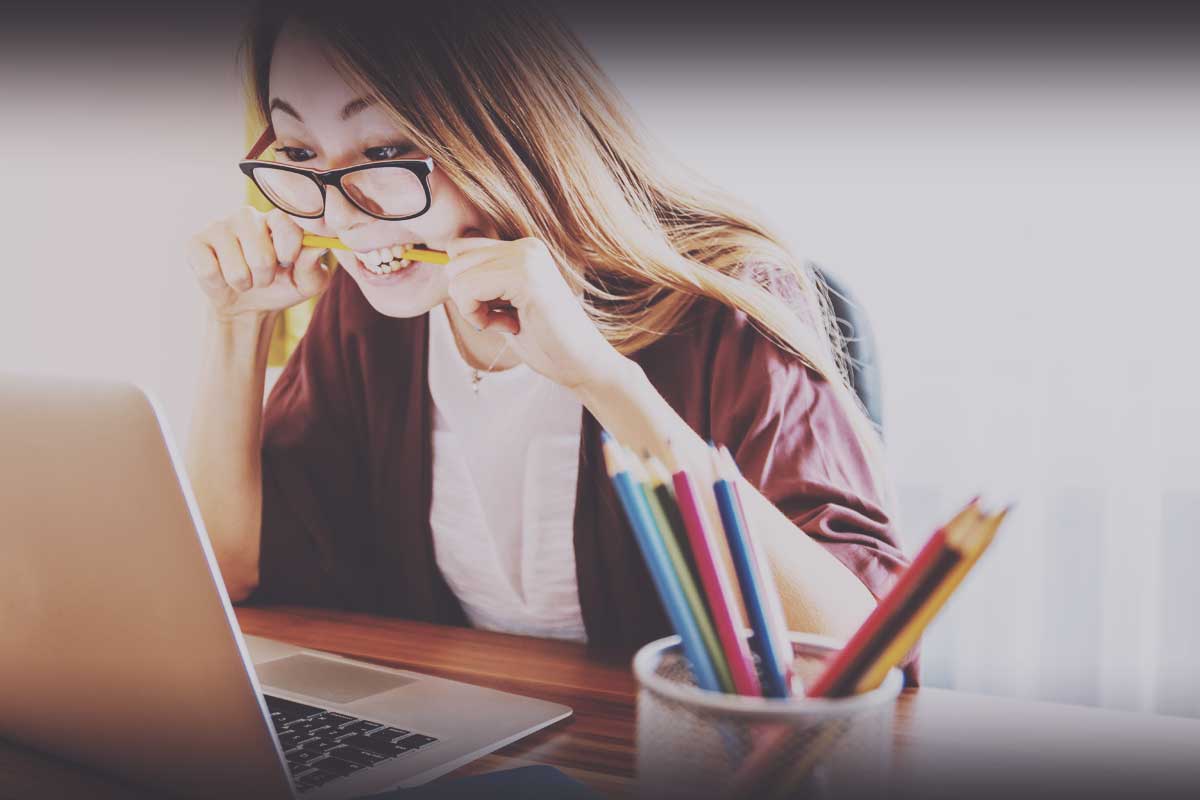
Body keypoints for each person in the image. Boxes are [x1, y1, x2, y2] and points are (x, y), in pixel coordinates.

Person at [184, 0, 917, 682]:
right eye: (302, 154)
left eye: (384, 149)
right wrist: (237, 326)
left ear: (506, 129)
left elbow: (858, 653)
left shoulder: (723, 306)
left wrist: (602, 380)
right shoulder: (371, 314)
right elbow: (226, 571)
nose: (343, 215)